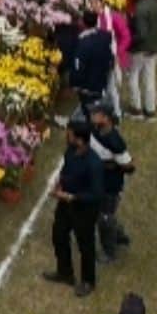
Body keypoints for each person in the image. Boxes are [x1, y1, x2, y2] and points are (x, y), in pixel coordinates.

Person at [43, 120, 102, 296]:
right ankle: (65, 272)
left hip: (84, 210)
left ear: (80, 140)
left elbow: (96, 194)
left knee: (85, 245)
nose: (66, 136)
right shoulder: (70, 151)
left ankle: (88, 281)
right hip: (66, 204)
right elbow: (66, 169)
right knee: (59, 235)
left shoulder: (94, 164)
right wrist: (60, 183)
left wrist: (71, 197)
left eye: (70, 134)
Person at [88, 103, 135, 262]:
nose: (92, 116)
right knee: (101, 213)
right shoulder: (95, 130)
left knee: (104, 218)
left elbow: (129, 167)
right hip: (98, 181)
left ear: (106, 118)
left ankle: (109, 253)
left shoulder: (115, 142)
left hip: (110, 186)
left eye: (96, 114)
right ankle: (119, 236)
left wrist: (109, 165)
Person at [124, 0, 157, 119]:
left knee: (133, 77)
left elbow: (141, 34)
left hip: (140, 49)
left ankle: (136, 109)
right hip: (153, 47)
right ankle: (150, 110)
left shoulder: (139, 9)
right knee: (149, 79)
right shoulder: (154, 2)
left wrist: (129, 42)